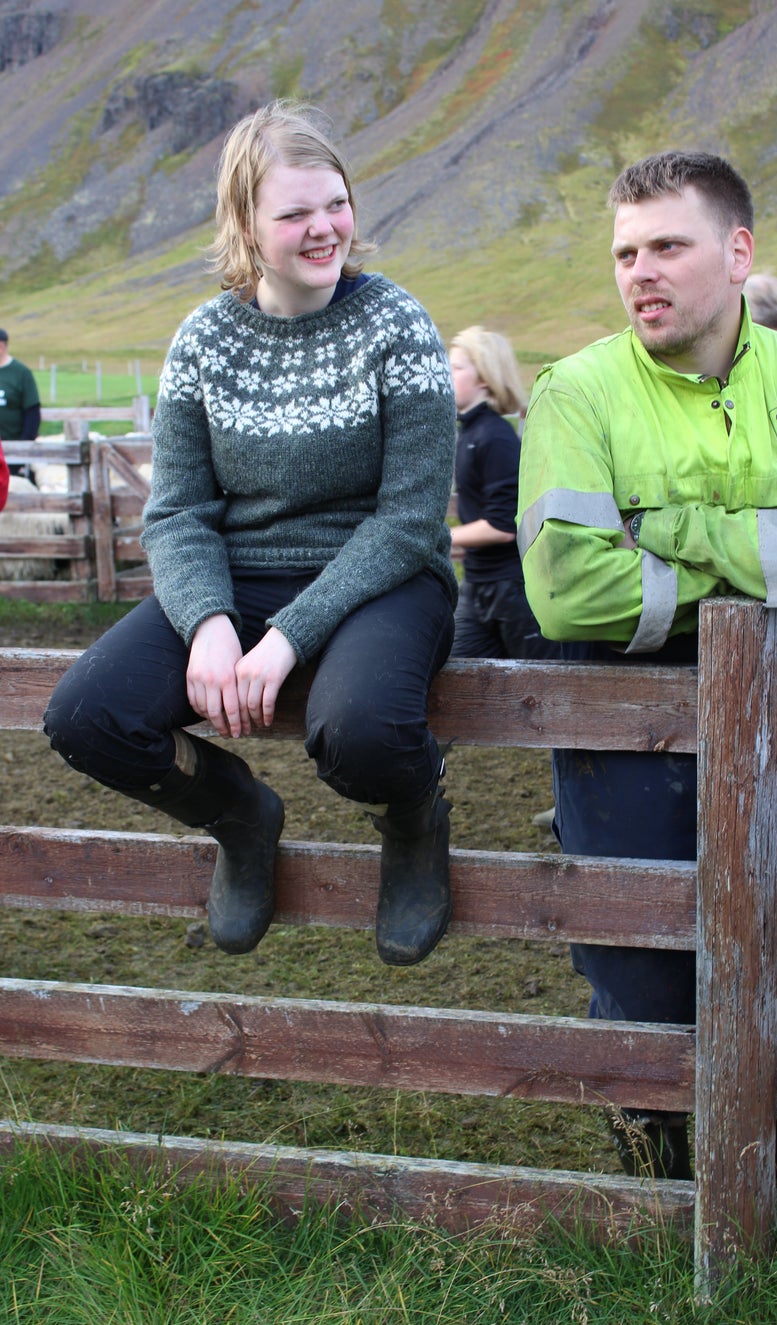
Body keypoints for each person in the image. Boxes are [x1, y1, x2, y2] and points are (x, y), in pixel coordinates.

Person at [516, 150, 777, 1195]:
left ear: (736, 250)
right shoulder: (575, 390)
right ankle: (660, 1174)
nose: (641, 271)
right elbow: (567, 591)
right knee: (635, 951)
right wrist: (762, 567)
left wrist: (661, 528)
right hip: (618, 712)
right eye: (625, 252)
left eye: (667, 245)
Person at [43, 101, 458, 968]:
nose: (324, 229)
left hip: (383, 577)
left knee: (362, 736)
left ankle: (415, 816)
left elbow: (410, 519)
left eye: (335, 203)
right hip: (240, 576)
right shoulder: (204, 340)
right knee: (87, 718)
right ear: (243, 222)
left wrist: (282, 643)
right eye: (295, 213)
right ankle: (238, 814)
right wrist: (208, 620)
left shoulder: (397, 325)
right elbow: (179, 511)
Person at [448, 326, 560, 662]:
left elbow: (502, 525)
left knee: (540, 687)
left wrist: (440, 537)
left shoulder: (494, 438)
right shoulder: (469, 432)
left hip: (512, 593)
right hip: (478, 586)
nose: (445, 374)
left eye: (456, 368)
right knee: (457, 679)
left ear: (483, 377)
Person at [0, 328, 41, 480]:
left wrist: (23, 449)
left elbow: (32, 413)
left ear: (1, 347)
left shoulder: (20, 373)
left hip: (11, 450)